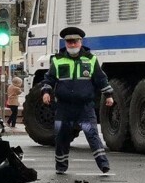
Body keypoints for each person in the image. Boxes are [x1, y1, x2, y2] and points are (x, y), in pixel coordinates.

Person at [41, 27, 114, 174]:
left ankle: (103, 165)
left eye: (75, 41)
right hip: (64, 107)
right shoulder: (57, 60)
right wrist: (46, 92)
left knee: (92, 134)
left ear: (80, 42)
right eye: (69, 42)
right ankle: (61, 167)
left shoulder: (91, 59)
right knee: (61, 136)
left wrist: (109, 95)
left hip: (84, 108)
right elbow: (49, 79)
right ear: (65, 43)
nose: (72, 44)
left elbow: (100, 79)